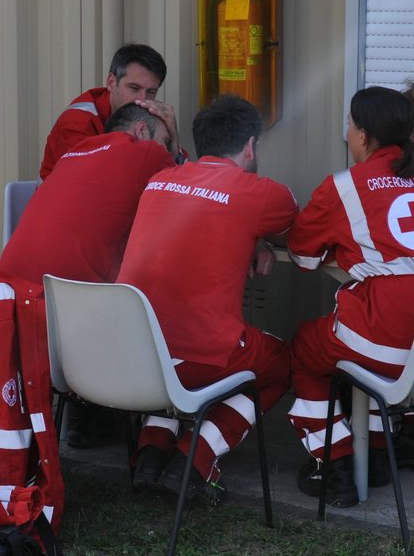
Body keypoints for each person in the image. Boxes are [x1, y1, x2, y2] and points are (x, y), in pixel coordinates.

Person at [285, 86, 414, 506]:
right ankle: (380, 453)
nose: (346, 134)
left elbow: (303, 256)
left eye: (349, 125)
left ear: (363, 136)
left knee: (307, 351)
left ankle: (336, 462)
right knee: (380, 362)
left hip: (380, 335)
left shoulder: (344, 187)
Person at [116, 95, 298, 504]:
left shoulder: (158, 181)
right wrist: (260, 235)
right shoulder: (258, 192)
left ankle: (150, 454)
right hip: (201, 360)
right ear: (251, 147)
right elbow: (290, 219)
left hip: (138, 356)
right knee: (282, 363)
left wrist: (251, 235)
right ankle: (195, 461)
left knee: (169, 355)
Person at [0, 103, 175, 286]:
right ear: (142, 130)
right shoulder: (147, 151)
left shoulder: (75, 152)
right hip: (64, 300)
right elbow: (188, 194)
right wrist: (175, 144)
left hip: (4, 293)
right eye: (166, 141)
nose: (166, 150)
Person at [38, 43, 181, 179]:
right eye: (134, 88)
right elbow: (101, 181)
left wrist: (173, 139)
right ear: (111, 83)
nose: (142, 99)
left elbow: (174, 183)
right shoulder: (78, 121)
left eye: (151, 91)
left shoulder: (150, 114)